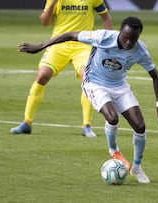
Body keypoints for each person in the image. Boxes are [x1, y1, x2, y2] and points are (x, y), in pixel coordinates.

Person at [18, 17, 158, 183]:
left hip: (119, 86)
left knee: (140, 126)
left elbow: (155, 75)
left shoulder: (139, 50)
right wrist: (40, 46)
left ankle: (137, 168)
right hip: (94, 83)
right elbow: (70, 35)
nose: (128, 42)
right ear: (120, 32)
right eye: (126, 37)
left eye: (133, 39)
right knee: (112, 117)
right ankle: (114, 152)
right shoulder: (102, 37)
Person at [10, 0, 112, 138]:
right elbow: (45, 22)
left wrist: (108, 42)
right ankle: (26, 123)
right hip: (59, 44)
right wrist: (52, 3)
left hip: (83, 45)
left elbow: (105, 17)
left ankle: (86, 125)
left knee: (87, 78)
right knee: (42, 76)